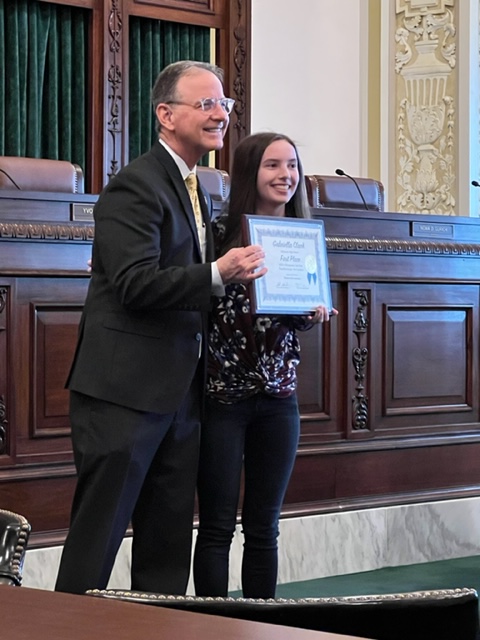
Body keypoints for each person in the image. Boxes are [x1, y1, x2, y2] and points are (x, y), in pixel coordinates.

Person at [54, 60, 267, 596]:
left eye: (225, 104)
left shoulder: (199, 187)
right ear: (166, 115)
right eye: (206, 104)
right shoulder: (136, 185)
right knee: (98, 539)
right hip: (123, 393)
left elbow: (193, 285)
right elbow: (134, 285)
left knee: (167, 543)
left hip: (180, 394)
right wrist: (219, 271)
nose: (220, 114)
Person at [193, 132, 338, 599]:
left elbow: (297, 311)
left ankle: (260, 624)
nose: (286, 176)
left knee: (264, 527)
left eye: (292, 165)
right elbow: (197, 298)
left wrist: (315, 311)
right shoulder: (218, 235)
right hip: (222, 397)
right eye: (274, 166)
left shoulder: (304, 236)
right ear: (251, 173)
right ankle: (209, 628)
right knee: (215, 527)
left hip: (279, 398)